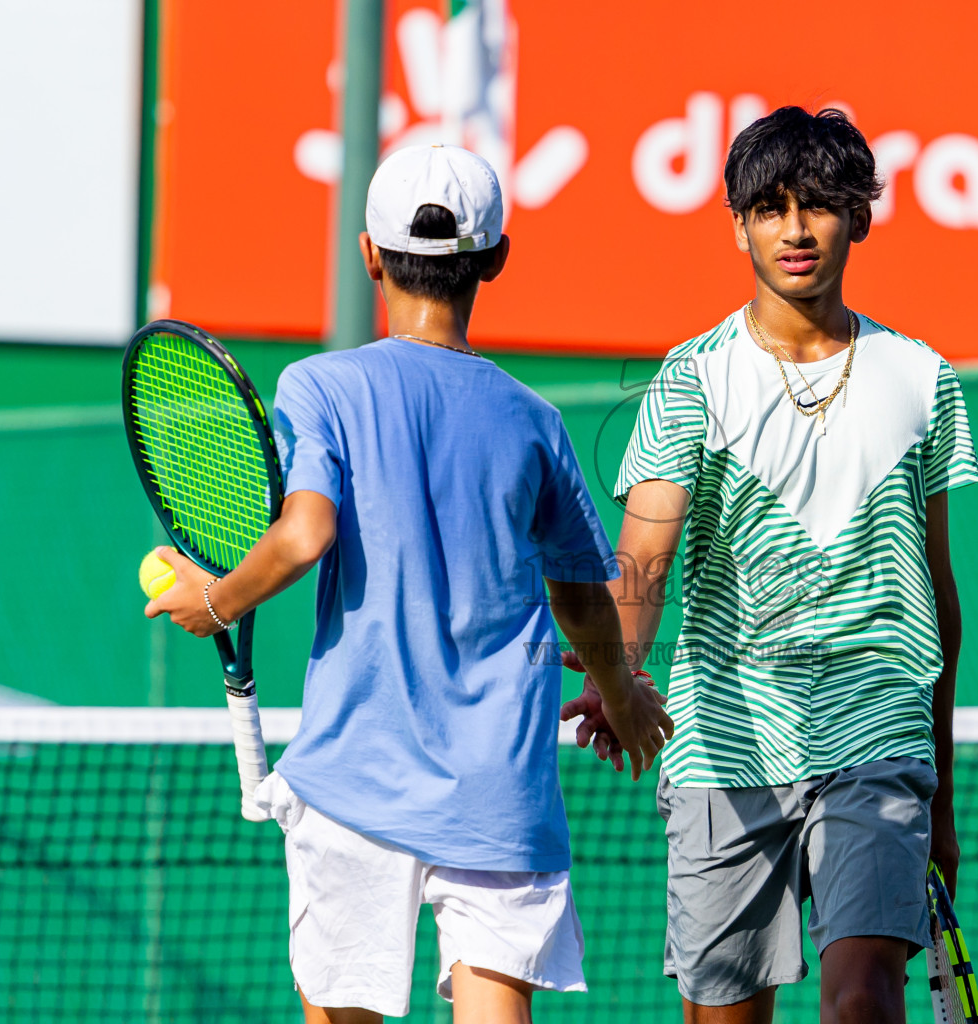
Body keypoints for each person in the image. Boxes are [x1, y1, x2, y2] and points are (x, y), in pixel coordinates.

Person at [146, 143, 673, 1024]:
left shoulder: (321, 384)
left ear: (369, 255)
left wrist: (218, 599)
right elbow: (579, 599)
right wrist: (617, 691)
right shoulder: (534, 421)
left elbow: (306, 532)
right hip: (498, 792)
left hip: (356, 783)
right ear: (496, 260)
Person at [562, 107, 978, 1023]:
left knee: (863, 998)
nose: (795, 229)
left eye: (821, 205)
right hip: (723, 746)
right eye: (769, 207)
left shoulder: (923, 379)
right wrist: (622, 666)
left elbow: (940, 602)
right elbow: (643, 554)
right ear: (738, 224)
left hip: (879, 733)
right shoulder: (691, 380)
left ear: (859, 218)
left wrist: (939, 793)